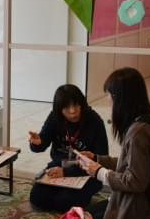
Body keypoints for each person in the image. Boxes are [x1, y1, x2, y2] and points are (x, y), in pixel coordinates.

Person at [78, 68, 150, 219]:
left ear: (121, 99)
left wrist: (100, 172)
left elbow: (135, 181)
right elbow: (135, 165)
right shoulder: (148, 122)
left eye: (110, 96)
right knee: (82, 215)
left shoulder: (138, 133)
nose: (109, 101)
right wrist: (98, 159)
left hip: (136, 207)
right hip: (138, 202)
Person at [27, 84, 108, 212]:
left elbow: (101, 158)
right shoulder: (55, 117)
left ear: (82, 104)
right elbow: (41, 144)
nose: (72, 111)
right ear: (59, 109)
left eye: (76, 105)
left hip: (87, 172)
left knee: (64, 202)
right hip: (59, 167)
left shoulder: (94, 121)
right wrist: (36, 143)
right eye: (66, 108)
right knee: (37, 197)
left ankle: (79, 197)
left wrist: (66, 172)